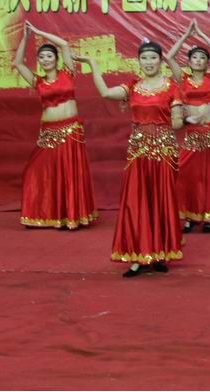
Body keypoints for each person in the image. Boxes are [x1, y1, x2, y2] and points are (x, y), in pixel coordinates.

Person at [76, 42, 184, 277]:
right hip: (138, 153)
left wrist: (181, 117)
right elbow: (106, 93)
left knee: (161, 201)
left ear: (160, 60)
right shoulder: (133, 86)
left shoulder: (172, 87)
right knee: (137, 201)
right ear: (139, 61)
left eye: (153, 58)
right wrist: (93, 64)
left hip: (164, 153)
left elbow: (177, 123)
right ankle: (137, 255)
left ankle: (160, 252)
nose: (149, 62)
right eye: (144, 58)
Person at [13, 21, 96, 229]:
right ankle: (46, 213)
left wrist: (38, 32)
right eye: (41, 57)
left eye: (49, 56)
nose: (45, 59)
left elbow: (65, 45)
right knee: (35, 171)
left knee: (69, 174)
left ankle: (71, 216)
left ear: (57, 59)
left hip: (71, 131)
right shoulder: (38, 81)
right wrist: (26, 38)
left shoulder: (68, 73)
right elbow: (18, 63)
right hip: (49, 133)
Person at [165, 20, 210, 233]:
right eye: (194, 57)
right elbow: (168, 57)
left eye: (202, 57)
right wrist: (186, 35)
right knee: (189, 175)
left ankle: (209, 217)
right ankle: (189, 217)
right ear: (189, 62)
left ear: (207, 62)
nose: (198, 60)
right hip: (192, 132)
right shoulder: (182, 79)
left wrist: (202, 33)